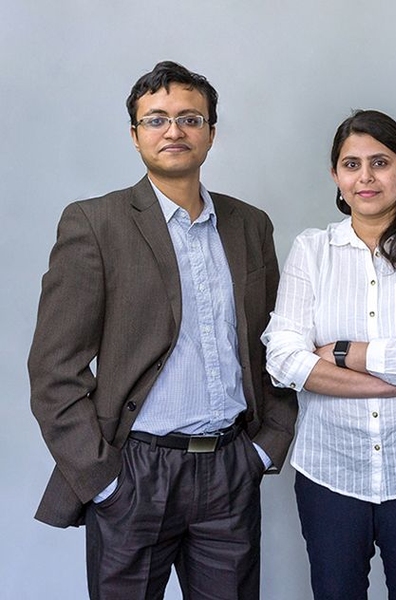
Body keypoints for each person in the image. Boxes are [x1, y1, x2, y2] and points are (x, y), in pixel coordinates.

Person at [28, 60, 297, 599]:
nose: (173, 130)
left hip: (230, 468)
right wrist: (104, 482)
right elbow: (54, 370)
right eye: (156, 120)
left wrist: (266, 446)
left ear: (211, 133)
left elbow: (277, 344)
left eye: (189, 118)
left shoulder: (250, 224)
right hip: (135, 474)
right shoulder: (94, 224)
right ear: (134, 136)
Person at [262, 109, 396, 599]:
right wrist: (394, 376)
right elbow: (283, 359)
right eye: (351, 165)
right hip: (329, 473)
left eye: (380, 162)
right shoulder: (311, 251)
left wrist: (339, 352)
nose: (366, 177)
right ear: (335, 175)